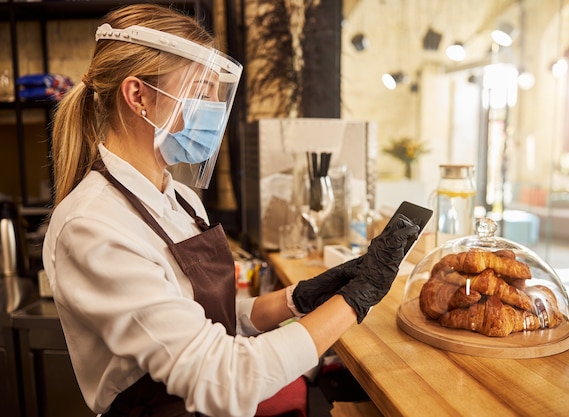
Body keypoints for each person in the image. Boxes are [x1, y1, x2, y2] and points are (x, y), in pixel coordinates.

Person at [42, 4, 419, 417]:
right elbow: (223, 378)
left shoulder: (180, 198)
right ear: (139, 96)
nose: (215, 109)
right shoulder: (93, 226)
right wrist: (353, 302)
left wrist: (298, 299)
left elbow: (202, 322)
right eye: (202, 91)